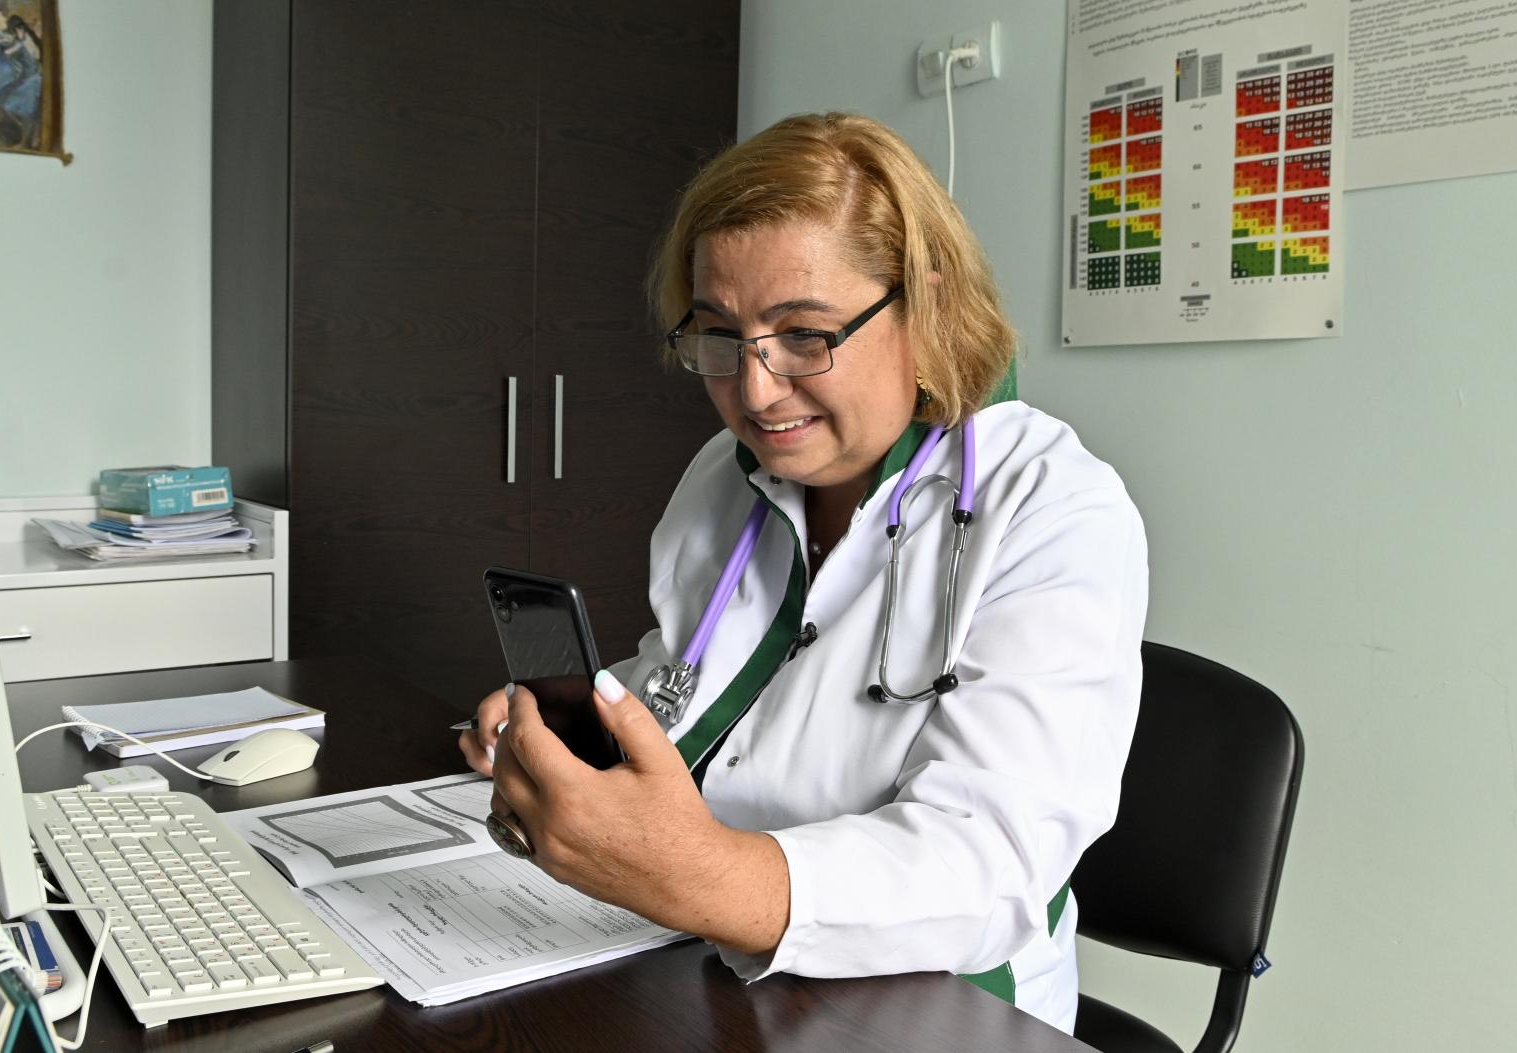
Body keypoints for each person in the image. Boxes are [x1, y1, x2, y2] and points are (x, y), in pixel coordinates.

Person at [459, 111, 1147, 1033]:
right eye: (718, 336)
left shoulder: (1052, 508)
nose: (755, 390)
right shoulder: (723, 476)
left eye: (806, 335)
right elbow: (692, 674)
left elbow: (991, 863)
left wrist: (692, 872)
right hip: (698, 956)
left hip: (929, 1007)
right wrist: (589, 716)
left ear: (926, 302)